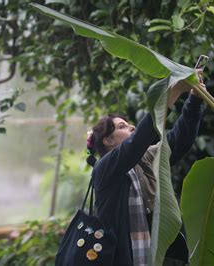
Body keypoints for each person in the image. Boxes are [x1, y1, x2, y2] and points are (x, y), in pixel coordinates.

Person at [85, 73, 205, 266]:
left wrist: (195, 100)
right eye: (122, 126)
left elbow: (178, 141)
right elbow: (137, 141)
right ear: (107, 140)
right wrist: (173, 92)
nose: (131, 127)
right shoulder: (104, 168)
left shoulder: (143, 159)